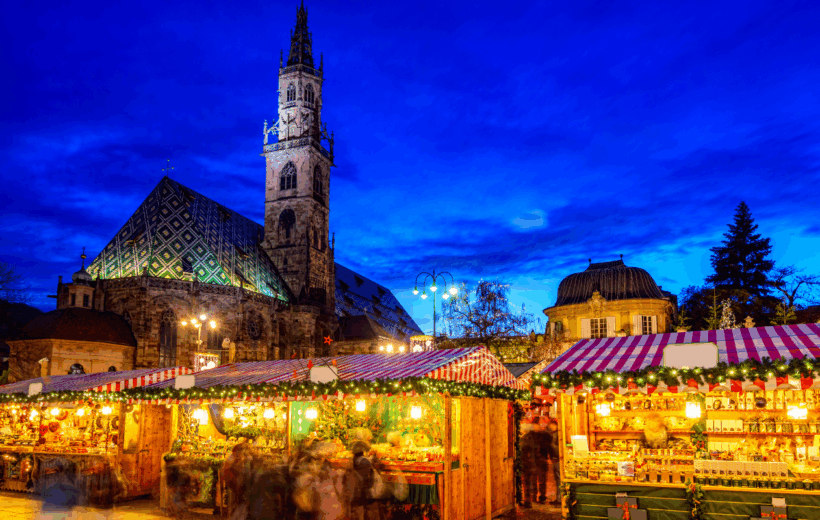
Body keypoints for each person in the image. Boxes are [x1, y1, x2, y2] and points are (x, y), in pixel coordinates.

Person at [520, 417, 546, 508]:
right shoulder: (528, 436)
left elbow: (526, 449)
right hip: (530, 462)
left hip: (530, 462)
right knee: (529, 482)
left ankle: (529, 500)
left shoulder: (529, 437)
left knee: (529, 482)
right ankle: (529, 499)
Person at [545, 419, 561, 505]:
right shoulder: (553, 434)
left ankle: (559, 499)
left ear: (555, 424)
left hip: (557, 459)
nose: (550, 427)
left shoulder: (558, 434)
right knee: (557, 479)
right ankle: (558, 498)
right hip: (555, 459)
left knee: (558, 479)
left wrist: (551, 447)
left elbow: (555, 447)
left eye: (551, 425)